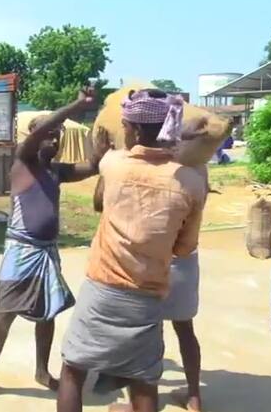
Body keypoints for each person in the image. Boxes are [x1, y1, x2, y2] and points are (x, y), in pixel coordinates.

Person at [57, 89, 207, 412]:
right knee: (144, 380)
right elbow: (184, 248)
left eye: (126, 125)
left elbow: (105, 167)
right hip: (147, 297)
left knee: (73, 369)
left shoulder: (113, 165)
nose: (123, 130)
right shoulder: (192, 183)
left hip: (101, 292)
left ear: (136, 131)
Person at [0, 88, 111, 402]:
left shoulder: (56, 172)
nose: (55, 139)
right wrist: (77, 104)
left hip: (47, 253)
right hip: (21, 252)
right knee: (4, 313)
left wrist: (104, 144)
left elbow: (94, 166)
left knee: (47, 315)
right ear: (33, 136)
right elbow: (46, 128)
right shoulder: (23, 162)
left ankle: (42, 370)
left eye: (58, 135)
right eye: (49, 134)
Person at [93, 166, 208, 412]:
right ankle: (194, 397)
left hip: (150, 259)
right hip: (184, 258)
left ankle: (143, 404)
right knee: (185, 329)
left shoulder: (141, 165)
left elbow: (99, 202)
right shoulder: (197, 168)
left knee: (143, 332)